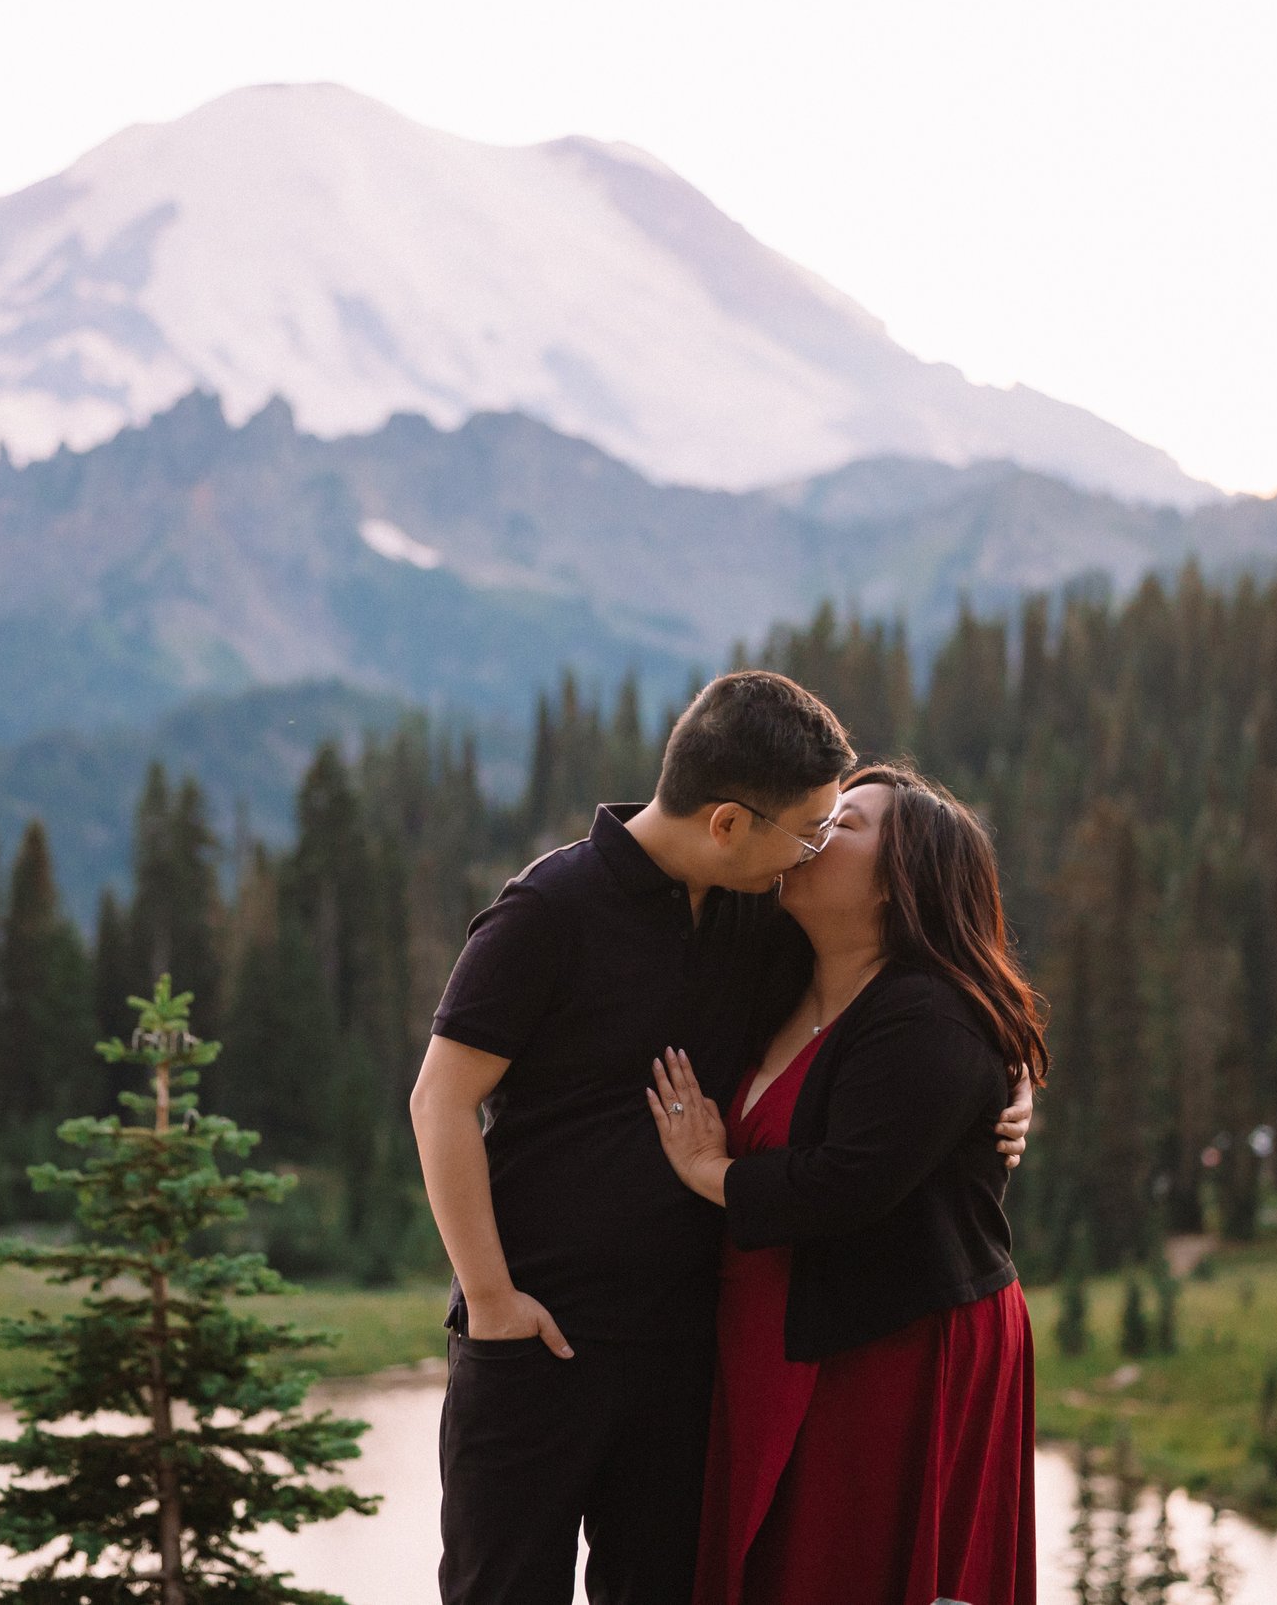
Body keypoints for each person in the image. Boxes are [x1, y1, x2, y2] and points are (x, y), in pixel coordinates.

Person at [409, 675, 1032, 1605]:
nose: (812, 851)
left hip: (683, 1351)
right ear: (731, 824)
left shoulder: (754, 918)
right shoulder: (551, 908)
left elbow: (913, 995)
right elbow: (438, 1100)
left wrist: (1012, 1082)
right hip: (539, 1336)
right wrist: (493, 1303)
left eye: (834, 830)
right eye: (806, 829)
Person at [648, 763, 1046, 1605]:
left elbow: (844, 1184)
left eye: (845, 825)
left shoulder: (932, 1014)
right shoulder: (777, 974)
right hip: (780, 1326)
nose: (813, 833)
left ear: (903, 881)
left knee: (849, 1569)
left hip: (892, 1343)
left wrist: (708, 1169)